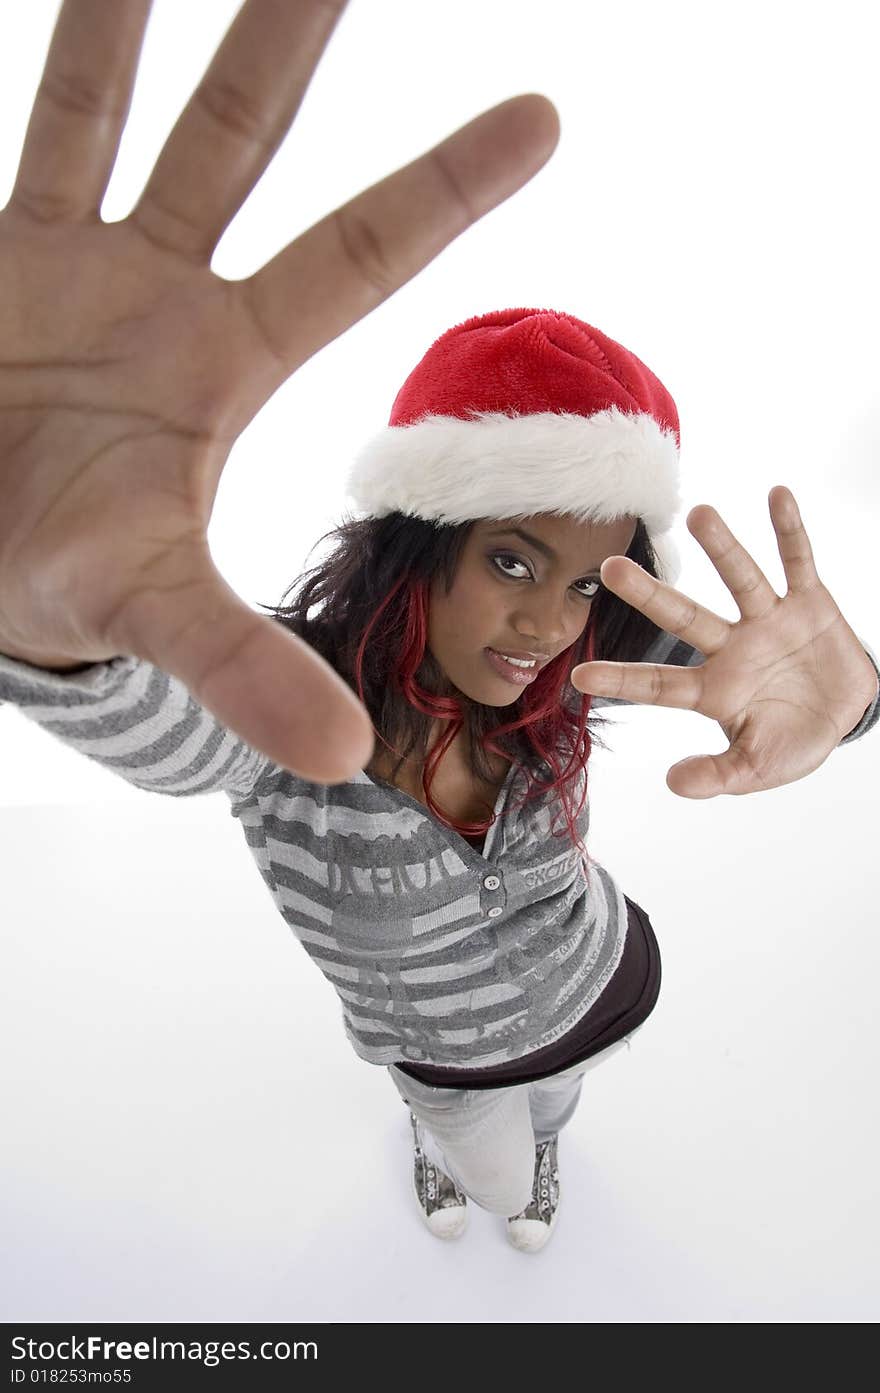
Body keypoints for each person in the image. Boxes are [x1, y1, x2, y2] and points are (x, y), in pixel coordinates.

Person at [1, 6, 878, 1255]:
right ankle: (477, 1161)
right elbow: (175, 726)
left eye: (586, 582)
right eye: (512, 558)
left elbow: (766, 687)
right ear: (419, 546)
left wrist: (855, 704)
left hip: (600, 981)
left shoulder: (582, 661)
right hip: (443, 1059)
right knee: (496, 1174)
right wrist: (50, 626)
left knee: (557, 1108)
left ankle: (545, 1142)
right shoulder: (291, 695)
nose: (543, 622)